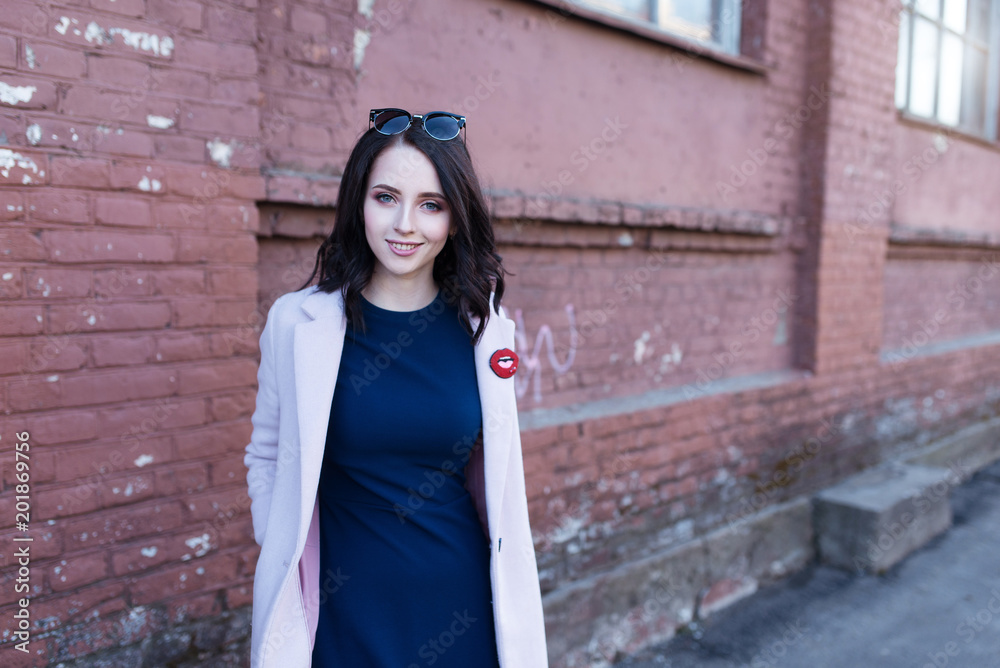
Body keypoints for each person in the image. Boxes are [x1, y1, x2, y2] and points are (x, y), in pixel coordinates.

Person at [243, 108, 549, 668]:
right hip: (336, 607)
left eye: (430, 205)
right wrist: (282, 544)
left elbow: (496, 475)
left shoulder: (484, 330)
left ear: (454, 221)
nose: (404, 224)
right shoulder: (297, 324)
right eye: (386, 197)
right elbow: (265, 450)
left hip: (458, 601)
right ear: (358, 202)